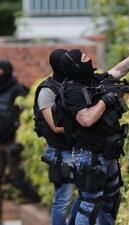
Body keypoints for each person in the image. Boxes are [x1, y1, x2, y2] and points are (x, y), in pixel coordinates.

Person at [56, 36, 129, 225]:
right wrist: (107, 100)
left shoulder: (92, 80)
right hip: (88, 154)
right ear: (77, 66)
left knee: (110, 202)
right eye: (85, 58)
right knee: (89, 204)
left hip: (107, 149)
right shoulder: (72, 90)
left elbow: (118, 70)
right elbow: (86, 119)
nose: (89, 59)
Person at [33, 49, 80, 225]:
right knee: (62, 200)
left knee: (86, 195)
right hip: (60, 152)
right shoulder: (47, 90)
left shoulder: (73, 83)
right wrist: (84, 122)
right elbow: (55, 126)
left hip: (78, 148)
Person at [0, 59, 39, 225]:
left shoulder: (18, 90)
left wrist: (18, 141)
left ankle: (39, 202)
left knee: (18, 179)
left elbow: (26, 117)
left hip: (12, 144)